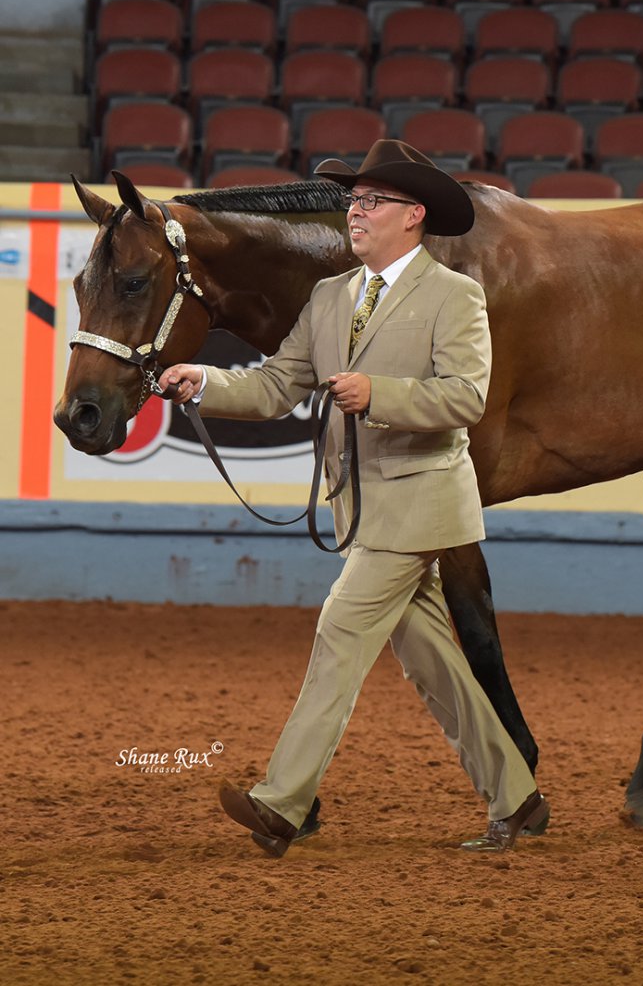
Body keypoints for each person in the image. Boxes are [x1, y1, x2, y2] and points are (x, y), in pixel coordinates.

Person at [158, 140, 547, 856]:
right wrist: (205, 383)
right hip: (365, 508)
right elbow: (278, 385)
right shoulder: (331, 296)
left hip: (422, 502)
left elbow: (467, 397)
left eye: (371, 202)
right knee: (430, 656)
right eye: (353, 200)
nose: (355, 212)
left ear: (413, 216)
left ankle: (283, 801)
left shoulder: (455, 295)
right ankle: (514, 795)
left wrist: (380, 395)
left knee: (341, 626)